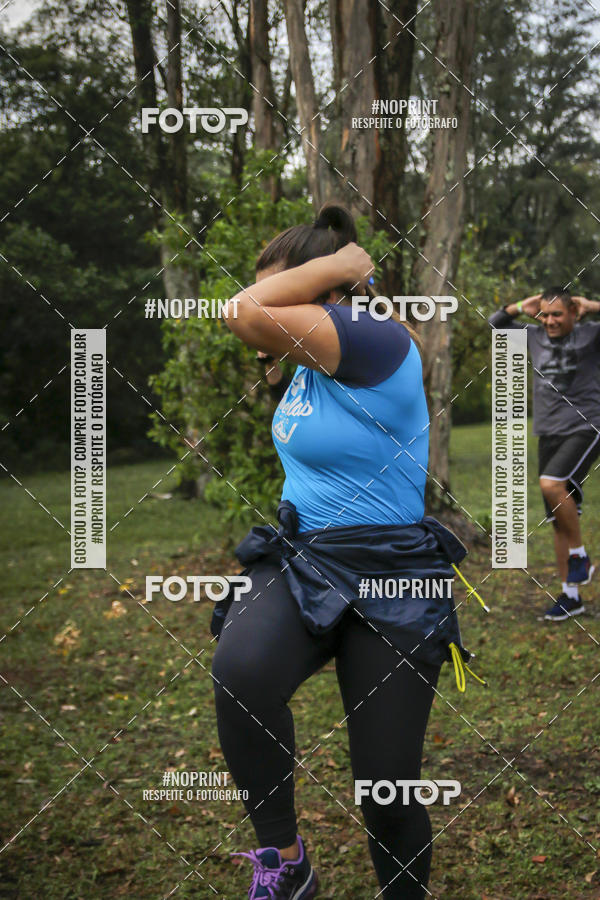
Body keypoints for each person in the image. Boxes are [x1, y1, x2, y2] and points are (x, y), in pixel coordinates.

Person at [210, 203, 475, 899]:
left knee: (384, 791)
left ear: (334, 295)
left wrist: (341, 263)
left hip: (393, 577)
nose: (270, 315)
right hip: (308, 562)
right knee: (241, 669)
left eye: (287, 293)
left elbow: (238, 311)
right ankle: (286, 860)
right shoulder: (310, 361)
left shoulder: (380, 344)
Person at [488, 289, 600, 621]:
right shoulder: (532, 335)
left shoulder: (591, 335)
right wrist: (523, 306)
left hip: (585, 426)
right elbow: (495, 323)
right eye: (545, 314)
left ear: (573, 313)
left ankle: (580, 557)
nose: (550, 320)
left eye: (557, 314)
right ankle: (570, 596)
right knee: (559, 519)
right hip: (548, 433)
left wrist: (593, 306)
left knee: (551, 484)